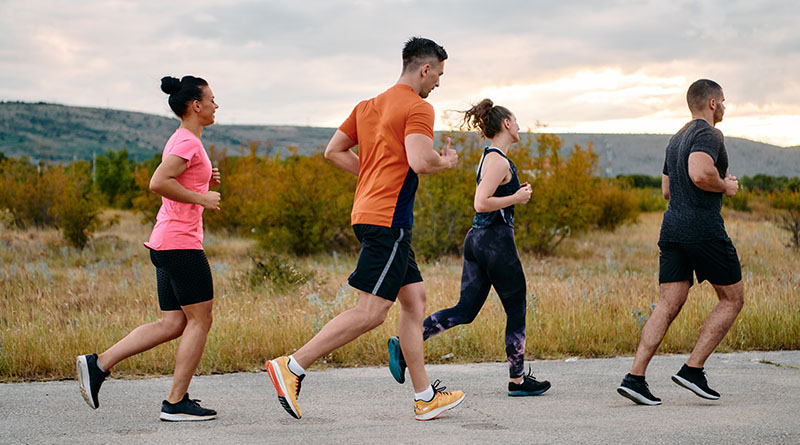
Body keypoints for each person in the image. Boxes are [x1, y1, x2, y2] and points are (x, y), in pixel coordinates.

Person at [265, 37, 465, 421]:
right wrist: (447, 161)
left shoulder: (367, 106)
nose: (438, 82)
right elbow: (421, 161)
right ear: (424, 69)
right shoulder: (419, 107)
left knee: (415, 300)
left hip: (370, 213)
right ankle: (293, 365)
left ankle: (425, 396)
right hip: (388, 220)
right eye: (439, 74)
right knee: (372, 312)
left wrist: (372, 174)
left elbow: (333, 151)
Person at [77, 75, 222, 421]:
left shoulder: (183, 140)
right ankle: (176, 402)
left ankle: (98, 364)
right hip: (181, 245)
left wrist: (204, 179)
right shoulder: (187, 142)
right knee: (200, 321)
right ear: (196, 106)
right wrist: (202, 196)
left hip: (165, 242)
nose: (217, 106)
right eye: (213, 100)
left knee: (172, 322)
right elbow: (158, 182)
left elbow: (176, 178)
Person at [386, 99, 551, 397]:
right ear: (506, 124)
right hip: (495, 243)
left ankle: (407, 343)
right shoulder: (499, 159)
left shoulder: (488, 157)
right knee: (516, 308)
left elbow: (485, 199)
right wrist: (517, 198)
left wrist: (514, 194)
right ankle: (518, 381)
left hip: (476, 240)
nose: (519, 127)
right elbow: (481, 202)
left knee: (465, 310)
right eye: (516, 121)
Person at [617, 79, 744, 405]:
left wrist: (711, 183)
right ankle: (693, 368)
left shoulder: (676, 139)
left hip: (672, 229)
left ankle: (635, 377)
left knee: (668, 304)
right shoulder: (708, 133)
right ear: (712, 103)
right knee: (732, 299)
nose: (725, 107)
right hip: (702, 229)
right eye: (724, 101)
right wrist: (726, 186)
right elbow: (700, 174)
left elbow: (667, 190)